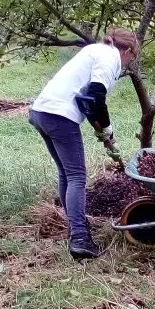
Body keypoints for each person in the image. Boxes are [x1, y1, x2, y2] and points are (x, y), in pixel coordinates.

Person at [29, 28, 140, 260]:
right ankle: (80, 238)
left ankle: (76, 230)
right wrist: (108, 130)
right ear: (128, 50)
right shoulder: (110, 58)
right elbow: (96, 97)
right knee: (77, 176)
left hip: (42, 112)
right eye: (132, 59)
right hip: (59, 116)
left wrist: (103, 134)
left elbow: (86, 102)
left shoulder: (94, 51)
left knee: (67, 174)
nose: (129, 64)